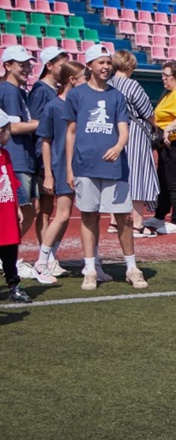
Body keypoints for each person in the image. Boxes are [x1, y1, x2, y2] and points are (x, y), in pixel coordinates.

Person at [63, 44, 147, 290]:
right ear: (89, 65)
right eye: (101, 62)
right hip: (85, 166)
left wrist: (120, 145)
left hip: (114, 168)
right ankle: (90, 268)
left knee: (124, 218)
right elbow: (71, 132)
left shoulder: (117, 96)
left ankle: (131, 267)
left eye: (108, 62)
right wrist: (69, 168)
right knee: (89, 216)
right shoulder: (77, 95)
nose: (106, 67)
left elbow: (124, 129)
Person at [31, 60, 84, 285]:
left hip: (84, 166)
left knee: (86, 214)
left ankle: (89, 263)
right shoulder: (54, 106)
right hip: (63, 167)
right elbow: (45, 141)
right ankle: (41, 262)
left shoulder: (82, 105)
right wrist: (50, 174)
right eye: (83, 79)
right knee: (62, 215)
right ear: (72, 80)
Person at [109, 50, 160, 236]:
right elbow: (146, 111)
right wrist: (156, 126)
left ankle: (114, 221)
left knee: (118, 176)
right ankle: (138, 223)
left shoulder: (108, 84)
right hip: (134, 133)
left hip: (113, 133)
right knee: (138, 176)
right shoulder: (132, 85)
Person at [28, 45, 68, 250]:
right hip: (46, 156)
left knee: (51, 208)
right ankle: (46, 254)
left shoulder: (53, 91)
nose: (66, 69)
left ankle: (50, 252)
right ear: (50, 66)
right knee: (44, 208)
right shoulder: (41, 90)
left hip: (55, 155)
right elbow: (36, 124)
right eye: (62, 65)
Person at [0, 45, 39, 240]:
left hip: (25, 158)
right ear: (8, 65)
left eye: (28, 65)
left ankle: (9, 254)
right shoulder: (9, 91)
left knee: (30, 210)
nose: (27, 69)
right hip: (17, 158)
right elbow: (13, 127)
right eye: (21, 65)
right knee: (21, 211)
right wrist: (42, 124)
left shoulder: (19, 92)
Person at [151, 60, 176, 234]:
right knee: (164, 181)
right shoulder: (170, 94)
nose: (163, 78)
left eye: (166, 75)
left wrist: (168, 128)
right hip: (166, 145)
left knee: (174, 184)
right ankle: (160, 216)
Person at [0, 113, 31, 303]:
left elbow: (11, 182)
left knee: (10, 251)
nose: (10, 133)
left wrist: (17, 208)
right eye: (7, 130)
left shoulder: (5, 155)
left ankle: (13, 285)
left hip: (7, 211)